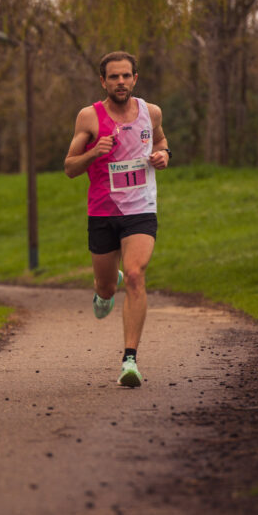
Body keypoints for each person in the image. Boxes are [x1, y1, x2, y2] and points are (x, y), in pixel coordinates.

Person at [63, 51, 170, 388]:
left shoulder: (150, 112)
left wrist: (164, 154)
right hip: (103, 212)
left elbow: (162, 139)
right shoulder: (89, 118)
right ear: (103, 81)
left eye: (126, 76)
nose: (121, 82)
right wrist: (95, 151)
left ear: (135, 78)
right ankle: (107, 287)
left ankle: (130, 360)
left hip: (141, 208)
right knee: (107, 288)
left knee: (136, 275)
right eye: (114, 77)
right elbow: (69, 167)